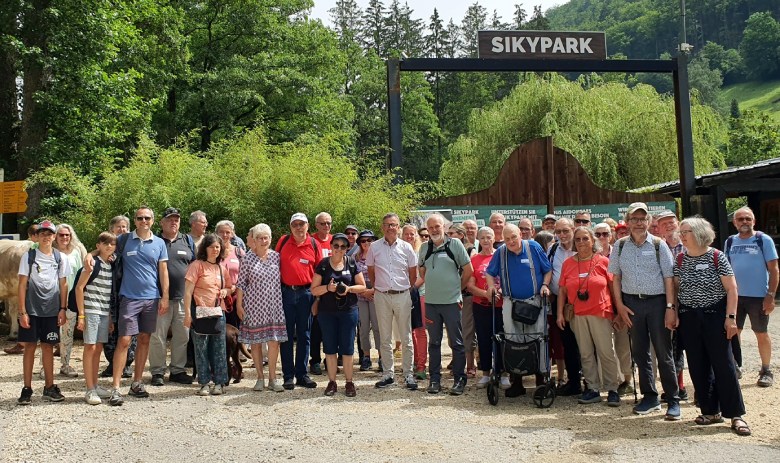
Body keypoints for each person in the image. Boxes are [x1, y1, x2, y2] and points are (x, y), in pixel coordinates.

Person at [674, 217, 750, 435]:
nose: (682, 236)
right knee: (698, 365)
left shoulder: (717, 256)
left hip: (715, 316)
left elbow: (732, 289)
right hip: (689, 317)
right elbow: (676, 287)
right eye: (681, 232)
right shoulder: (680, 259)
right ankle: (710, 411)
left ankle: (736, 414)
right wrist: (673, 310)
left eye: (685, 231)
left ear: (698, 233)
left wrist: (731, 317)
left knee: (724, 365)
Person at [609, 202, 680, 419]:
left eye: (643, 219)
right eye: (634, 219)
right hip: (632, 304)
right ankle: (650, 397)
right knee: (639, 352)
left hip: (658, 303)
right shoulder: (619, 246)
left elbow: (669, 278)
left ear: (649, 221)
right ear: (628, 222)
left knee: (663, 352)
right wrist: (620, 306)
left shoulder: (659, 245)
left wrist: (670, 308)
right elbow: (616, 278)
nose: (639, 223)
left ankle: (673, 398)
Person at [107, 206, 170, 405]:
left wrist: (165, 296)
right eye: (140, 218)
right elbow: (105, 249)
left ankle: (136, 383)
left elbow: (163, 271)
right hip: (129, 298)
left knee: (144, 340)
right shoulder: (124, 240)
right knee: (124, 341)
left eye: (147, 218)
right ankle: (116, 388)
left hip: (151, 299)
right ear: (135, 221)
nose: (144, 221)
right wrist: (89, 256)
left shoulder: (159, 243)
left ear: (153, 220)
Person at [484, 223, 552, 396]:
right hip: (510, 302)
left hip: (534, 301)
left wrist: (545, 285)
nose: (511, 241)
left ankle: (541, 379)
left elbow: (547, 270)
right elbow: (490, 272)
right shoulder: (501, 252)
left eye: (514, 237)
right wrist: (491, 286)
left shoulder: (533, 247)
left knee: (538, 338)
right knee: (512, 339)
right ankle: (517, 381)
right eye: (507, 239)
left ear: (520, 234)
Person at [557, 227, 620, 406]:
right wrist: (560, 313)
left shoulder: (603, 262)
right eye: (578, 239)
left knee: (606, 352)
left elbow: (612, 288)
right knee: (585, 353)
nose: (582, 242)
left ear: (593, 241)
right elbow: (562, 290)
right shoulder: (568, 264)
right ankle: (592, 388)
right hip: (577, 315)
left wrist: (618, 311)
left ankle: (612, 389)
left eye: (585, 238)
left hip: (601, 312)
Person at [16, 220, 71, 405]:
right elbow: (22, 284)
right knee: (30, 346)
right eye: (42, 233)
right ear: (37, 236)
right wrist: (22, 311)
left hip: (52, 310)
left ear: (54, 236)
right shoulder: (29, 256)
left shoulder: (60, 258)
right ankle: (27, 388)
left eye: (49, 233)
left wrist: (63, 309)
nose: (46, 237)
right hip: (31, 309)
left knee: (48, 346)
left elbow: (64, 284)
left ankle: (49, 387)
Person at [418, 213, 473, 395]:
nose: (434, 230)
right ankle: (434, 380)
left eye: (437, 226)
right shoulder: (424, 247)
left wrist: (458, 288)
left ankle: (459, 380)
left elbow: (468, 270)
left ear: (444, 227)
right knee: (434, 343)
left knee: (456, 343)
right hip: (432, 303)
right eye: (431, 227)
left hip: (451, 302)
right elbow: (422, 271)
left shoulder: (455, 244)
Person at [726, 206, 778, 387]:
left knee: (761, 333)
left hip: (759, 297)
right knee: (734, 332)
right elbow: (726, 271)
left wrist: (770, 296)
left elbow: (774, 270)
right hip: (735, 297)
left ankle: (766, 370)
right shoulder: (730, 242)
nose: (744, 222)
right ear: (735, 223)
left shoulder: (763, 240)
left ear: (754, 221)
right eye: (740, 219)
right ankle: (735, 366)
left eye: (748, 219)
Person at [366, 213, 418, 390]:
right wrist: (378, 287)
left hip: (403, 294)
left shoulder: (407, 247)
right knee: (385, 337)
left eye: (394, 224)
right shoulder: (374, 247)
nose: (390, 228)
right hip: (382, 295)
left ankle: (408, 374)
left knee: (406, 336)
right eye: (387, 224)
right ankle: (388, 374)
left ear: (398, 227)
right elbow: (371, 270)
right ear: (382, 227)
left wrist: (405, 288)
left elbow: (413, 273)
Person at [311, 233, 366, 397]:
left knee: (348, 348)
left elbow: (362, 286)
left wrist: (348, 289)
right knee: (329, 348)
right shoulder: (323, 265)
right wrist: (328, 288)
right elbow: (314, 289)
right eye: (336, 245)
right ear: (331, 247)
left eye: (343, 246)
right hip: (327, 312)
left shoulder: (351, 262)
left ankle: (349, 382)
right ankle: (332, 382)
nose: (339, 249)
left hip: (348, 311)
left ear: (347, 248)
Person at [235, 224, 288, 392]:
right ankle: (260, 378)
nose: (263, 241)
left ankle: (273, 378)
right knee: (256, 343)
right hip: (253, 306)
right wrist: (239, 304)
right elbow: (241, 283)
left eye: (266, 238)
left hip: (274, 306)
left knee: (274, 342)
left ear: (270, 240)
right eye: (260, 238)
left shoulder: (276, 257)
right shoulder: (247, 259)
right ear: (254, 241)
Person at [149, 208, 195, 387]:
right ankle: (157, 371)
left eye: (176, 220)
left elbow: (195, 266)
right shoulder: (155, 241)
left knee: (182, 336)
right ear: (161, 222)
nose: (173, 222)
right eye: (169, 220)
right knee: (158, 336)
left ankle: (177, 370)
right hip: (160, 298)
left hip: (184, 298)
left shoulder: (187, 241)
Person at [183, 234, 233, 396]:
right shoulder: (197, 265)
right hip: (200, 312)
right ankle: (204, 383)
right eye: (211, 246)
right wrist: (187, 315)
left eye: (218, 247)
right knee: (201, 349)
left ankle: (220, 382)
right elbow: (188, 292)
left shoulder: (221, 268)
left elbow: (231, 287)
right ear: (205, 248)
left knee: (219, 349)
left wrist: (227, 290)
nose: (215, 250)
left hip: (218, 313)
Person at [276, 212, 319, 390]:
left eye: (302, 224)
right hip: (285, 293)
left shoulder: (313, 244)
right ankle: (288, 376)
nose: (299, 228)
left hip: (306, 294)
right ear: (290, 227)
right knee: (285, 336)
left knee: (304, 335)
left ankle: (302, 374)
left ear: (308, 226)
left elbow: (318, 273)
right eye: (295, 225)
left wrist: (317, 299)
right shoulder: (283, 241)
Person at [75, 232, 118, 405]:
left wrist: (109, 317)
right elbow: (79, 288)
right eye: (105, 243)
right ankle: (89, 389)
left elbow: (107, 294)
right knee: (90, 347)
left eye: (112, 243)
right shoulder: (92, 264)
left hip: (103, 312)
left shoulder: (110, 265)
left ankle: (95, 385)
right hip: (90, 312)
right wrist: (81, 315)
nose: (109, 246)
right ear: (98, 245)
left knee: (98, 347)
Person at [467, 227, 510, 390]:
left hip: (501, 306)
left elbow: (507, 278)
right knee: (484, 340)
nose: (486, 240)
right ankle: (486, 373)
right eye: (482, 238)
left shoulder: (502, 256)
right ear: (479, 240)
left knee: (502, 339)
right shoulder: (475, 259)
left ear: (494, 238)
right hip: (481, 306)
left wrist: (498, 291)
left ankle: (504, 373)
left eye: (489, 237)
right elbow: (470, 285)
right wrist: (485, 294)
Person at [595, 221, 633, 394]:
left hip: (620, 306)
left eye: (605, 234)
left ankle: (627, 378)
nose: (601, 237)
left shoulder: (620, 252)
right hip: (600, 309)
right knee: (604, 347)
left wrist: (620, 308)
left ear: (611, 236)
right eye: (598, 234)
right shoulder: (589, 256)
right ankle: (611, 380)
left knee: (623, 345)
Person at [655, 210, 689, 400]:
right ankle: (678, 387)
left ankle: (703, 388)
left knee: (693, 345)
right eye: (663, 223)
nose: (668, 226)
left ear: (678, 223)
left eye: (671, 222)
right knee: (672, 346)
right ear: (659, 228)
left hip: (690, 301)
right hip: (667, 302)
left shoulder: (690, 244)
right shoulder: (657, 247)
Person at [548, 218, 582, 395]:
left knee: (585, 343)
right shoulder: (553, 249)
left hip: (583, 302)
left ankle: (591, 382)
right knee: (567, 343)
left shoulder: (582, 246)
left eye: (565, 231)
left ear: (573, 229)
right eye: (558, 231)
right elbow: (548, 272)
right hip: (560, 303)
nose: (562, 235)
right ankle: (574, 382)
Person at [100, 216, 136, 379]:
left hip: (128, 296)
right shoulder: (107, 250)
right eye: (118, 227)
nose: (122, 230)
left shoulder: (132, 246)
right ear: (111, 230)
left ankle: (126, 364)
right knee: (109, 332)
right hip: (108, 297)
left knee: (128, 331)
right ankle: (112, 364)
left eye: (124, 227)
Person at [54, 223, 87, 378]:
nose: (65, 238)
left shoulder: (76, 251)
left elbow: (83, 272)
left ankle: (65, 364)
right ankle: (44, 366)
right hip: (52, 298)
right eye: (61, 235)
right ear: (55, 236)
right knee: (50, 333)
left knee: (68, 333)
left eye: (67, 235)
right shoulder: (50, 252)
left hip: (72, 297)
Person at [4, 224, 40, 356]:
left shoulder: (31, 250)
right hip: (38, 289)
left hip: (35, 289)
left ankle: (22, 342)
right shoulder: (35, 250)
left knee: (27, 311)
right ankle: (22, 341)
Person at [448, 223, 477, 377]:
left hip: (465, 295)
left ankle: (470, 365)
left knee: (467, 331)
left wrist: (458, 289)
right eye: (448, 234)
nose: (449, 236)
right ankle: (457, 362)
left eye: (452, 233)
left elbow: (470, 273)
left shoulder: (470, 249)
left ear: (461, 234)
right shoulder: (447, 249)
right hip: (450, 296)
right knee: (453, 331)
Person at [309, 211, 333, 375]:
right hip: (317, 291)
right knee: (316, 329)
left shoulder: (335, 241)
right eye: (322, 223)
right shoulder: (311, 241)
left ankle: (330, 359)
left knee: (332, 329)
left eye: (328, 223)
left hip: (334, 293)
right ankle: (315, 361)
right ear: (316, 225)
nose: (326, 226)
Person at [402, 223, 427, 379]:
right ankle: (411, 361)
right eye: (407, 234)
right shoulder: (399, 251)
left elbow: (424, 274)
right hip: (403, 295)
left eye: (412, 234)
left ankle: (421, 366)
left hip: (421, 293)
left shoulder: (421, 251)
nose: (410, 237)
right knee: (408, 331)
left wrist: (412, 287)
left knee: (420, 330)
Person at [355, 230, 380, 372]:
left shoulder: (378, 256)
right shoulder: (356, 257)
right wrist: (364, 291)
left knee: (377, 327)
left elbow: (383, 275)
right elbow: (353, 277)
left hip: (376, 293)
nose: (366, 243)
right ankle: (366, 357)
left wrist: (373, 291)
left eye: (369, 240)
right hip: (360, 295)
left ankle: (382, 357)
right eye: (363, 241)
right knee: (363, 328)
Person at [215, 220, 244, 329]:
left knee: (234, 332)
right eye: (221, 232)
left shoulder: (239, 252)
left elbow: (245, 276)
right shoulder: (212, 251)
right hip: (216, 298)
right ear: (216, 233)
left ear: (232, 234)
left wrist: (233, 288)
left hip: (235, 298)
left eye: (228, 232)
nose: (225, 235)